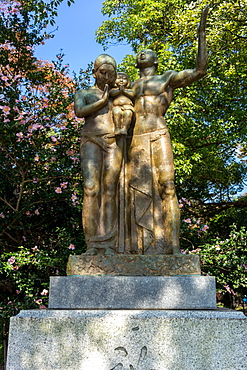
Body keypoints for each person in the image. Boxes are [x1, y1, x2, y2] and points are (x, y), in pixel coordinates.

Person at [127, 7, 208, 254]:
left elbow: (199, 71)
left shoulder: (166, 78)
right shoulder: (128, 86)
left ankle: (172, 245)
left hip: (158, 131)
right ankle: (140, 245)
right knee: (136, 192)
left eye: (148, 52)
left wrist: (201, 35)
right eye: (139, 52)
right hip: (135, 138)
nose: (142, 52)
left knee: (167, 185)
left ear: (155, 60)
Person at [74, 54, 123, 255]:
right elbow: (80, 111)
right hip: (92, 139)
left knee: (111, 190)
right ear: (94, 72)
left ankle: (108, 244)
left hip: (114, 141)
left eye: (110, 73)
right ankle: (92, 244)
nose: (106, 77)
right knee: (91, 188)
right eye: (102, 72)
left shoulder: (120, 95)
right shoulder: (83, 92)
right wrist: (103, 100)